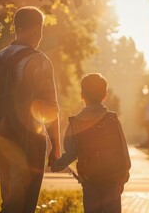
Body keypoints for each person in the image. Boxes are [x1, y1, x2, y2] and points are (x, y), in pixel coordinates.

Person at [0, 6, 61, 213]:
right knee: (25, 203)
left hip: (1, 136)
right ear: (38, 29)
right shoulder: (38, 61)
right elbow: (49, 109)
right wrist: (56, 146)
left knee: (10, 199)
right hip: (29, 139)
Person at [51, 73, 131, 213]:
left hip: (90, 181)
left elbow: (70, 154)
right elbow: (123, 149)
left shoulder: (75, 124)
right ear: (104, 95)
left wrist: (56, 164)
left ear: (82, 95)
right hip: (112, 180)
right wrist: (124, 176)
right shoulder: (112, 120)